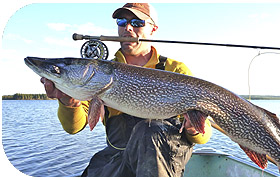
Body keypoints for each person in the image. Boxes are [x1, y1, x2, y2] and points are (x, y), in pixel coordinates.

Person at [41, 3, 212, 177]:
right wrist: (68, 101)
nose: (128, 27)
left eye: (137, 22)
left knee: (148, 132)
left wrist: (193, 129)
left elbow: (204, 136)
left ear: (153, 29)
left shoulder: (174, 69)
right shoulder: (99, 73)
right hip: (119, 156)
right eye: (122, 21)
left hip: (165, 158)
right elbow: (73, 128)